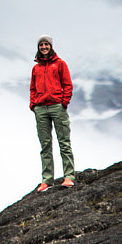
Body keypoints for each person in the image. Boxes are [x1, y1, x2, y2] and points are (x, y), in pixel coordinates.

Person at [29, 35, 74, 191]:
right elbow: (32, 88)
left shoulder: (60, 64)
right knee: (45, 145)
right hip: (41, 109)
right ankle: (47, 180)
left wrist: (64, 103)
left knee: (64, 142)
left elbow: (68, 85)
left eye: (46, 44)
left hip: (57, 107)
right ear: (38, 47)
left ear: (51, 46)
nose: (44, 47)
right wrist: (33, 105)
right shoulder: (36, 68)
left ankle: (68, 177)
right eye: (41, 44)